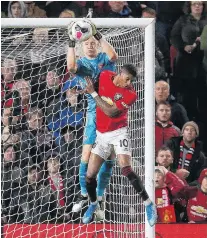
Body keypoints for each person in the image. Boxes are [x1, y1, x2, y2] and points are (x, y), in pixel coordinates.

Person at [81, 64, 157, 226]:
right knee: (89, 176)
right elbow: (95, 84)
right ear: (120, 74)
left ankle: (148, 204)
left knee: (126, 168)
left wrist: (93, 93)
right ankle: (93, 204)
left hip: (118, 133)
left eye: (131, 80)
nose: (129, 83)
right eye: (127, 79)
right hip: (101, 135)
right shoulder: (105, 75)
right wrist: (87, 89)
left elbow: (111, 112)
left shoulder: (130, 94)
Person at [67, 20, 118, 215]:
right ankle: (82, 194)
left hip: (110, 112)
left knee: (109, 157)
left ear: (96, 44)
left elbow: (114, 55)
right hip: (93, 113)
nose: (89, 45)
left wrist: (98, 35)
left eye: (92, 42)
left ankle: (100, 195)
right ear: (81, 46)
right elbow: (71, 67)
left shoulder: (105, 58)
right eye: (85, 43)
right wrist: (71, 43)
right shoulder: (81, 64)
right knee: (86, 155)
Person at [165, 121, 206, 186]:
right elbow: (162, 164)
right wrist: (175, 172)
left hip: (188, 188)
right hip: (168, 183)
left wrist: (188, 186)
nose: (189, 132)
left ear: (196, 134)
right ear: (182, 133)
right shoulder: (171, 146)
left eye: (192, 130)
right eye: (187, 130)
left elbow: (201, 177)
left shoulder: (200, 157)